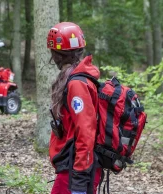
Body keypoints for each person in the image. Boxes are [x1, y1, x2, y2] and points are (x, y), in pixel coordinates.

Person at [47, 22, 102, 194]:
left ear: (58, 55)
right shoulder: (76, 78)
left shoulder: (76, 84)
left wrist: (79, 177)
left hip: (77, 168)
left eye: (53, 53)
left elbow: (86, 131)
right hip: (73, 165)